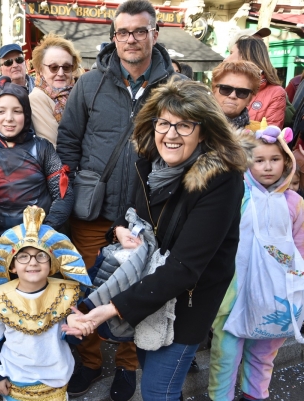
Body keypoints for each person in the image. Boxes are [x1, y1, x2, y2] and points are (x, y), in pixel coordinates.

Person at [65, 78, 248, 401]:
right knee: (151, 373)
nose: (171, 134)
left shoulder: (221, 179)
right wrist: (118, 229)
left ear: (204, 130)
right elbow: (131, 211)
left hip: (186, 302)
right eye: (163, 123)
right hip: (149, 291)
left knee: (157, 390)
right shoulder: (150, 161)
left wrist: (111, 308)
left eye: (184, 125)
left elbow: (185, 267)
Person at [55, 1, 178, 398]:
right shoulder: (90, 83)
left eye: (139, 31)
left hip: (144, 212)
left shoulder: (173, 86)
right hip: (93, 210)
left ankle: (127, 365)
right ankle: (90, 361)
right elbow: (69, 142)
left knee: (133, 287)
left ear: (154, 34)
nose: (131, 39)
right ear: (114, 37)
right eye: (123, 32)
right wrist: (71, 191)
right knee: (84, 286)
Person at [208, 124, 304, 401]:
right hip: (234, 293)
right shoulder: (236, 196)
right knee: (225, 355)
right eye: (258, 160)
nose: (267, 167)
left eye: (275, 159)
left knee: (264, 355)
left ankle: (255, 395)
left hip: (276, 295)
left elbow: (298, 247)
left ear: (286, 161)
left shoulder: (294, 202)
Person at [0, 206, 92, 400]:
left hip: (56, 378)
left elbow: (69, 338)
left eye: (41, 256)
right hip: (16, 378)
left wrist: (77, 331)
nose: (33, 262)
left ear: (51, 264)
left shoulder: (66, 294)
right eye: (23, 256)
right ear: (12, 266)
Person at [0, 77, 73, 266]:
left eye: (17, 111)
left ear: (26, 115)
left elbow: (64, 195)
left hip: (41, 248)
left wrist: (44, 234)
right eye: (1, 111)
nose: (9, 118)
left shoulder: (43, 149)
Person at [29, 33, 82, 146]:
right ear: (40, 69)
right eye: (54, 67)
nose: (61, 73)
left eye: (66, 67)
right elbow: (54, 144)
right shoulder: (37, 98)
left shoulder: (78, 94)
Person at [225, 36, 286, 128]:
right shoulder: (224, 86)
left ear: (245, 56)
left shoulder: (275, 93)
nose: (226, 59)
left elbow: (270, 137)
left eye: (231, 53)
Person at [212, 60, 262, 130]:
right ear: (213, 90)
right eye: (225, 89)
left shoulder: (260, 132)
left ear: (250, 99)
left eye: (242, 92)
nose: (232, 96)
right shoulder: (195, 125)